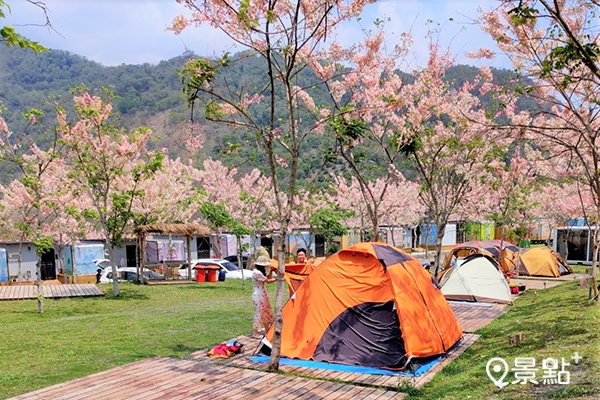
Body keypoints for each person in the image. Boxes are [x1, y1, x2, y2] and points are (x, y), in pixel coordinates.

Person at [252, 255, 276, 338]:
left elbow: (267, 278)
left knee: (266, 310)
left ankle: (267, 330)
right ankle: (255, 333)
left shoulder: (259, 272)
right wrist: (278, 279)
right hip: (258, 294)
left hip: (262, 293)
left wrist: (271, 271)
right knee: (259, 312)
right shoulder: (257, 273)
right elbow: (268, 281)